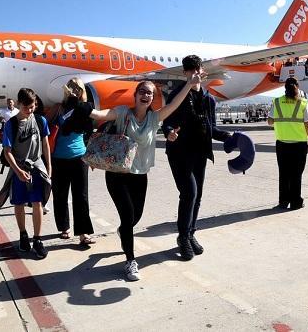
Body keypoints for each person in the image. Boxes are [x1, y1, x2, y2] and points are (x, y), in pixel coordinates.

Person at [89, 73, 203, 280]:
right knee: (127, 214)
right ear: (135, 94)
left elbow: (175, 104)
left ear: (152, 98)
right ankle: (131, 260)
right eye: (142, 91)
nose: (146, 95)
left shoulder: (154, 118)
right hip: (117, 174)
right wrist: (89, 110)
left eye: (149, 93)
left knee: (135, 217)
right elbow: (103, 115)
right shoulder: (123, 113)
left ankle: (124, 231)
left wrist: (189, 84)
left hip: (140, 174)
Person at [163, 55, 232, 262]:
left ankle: (190, 233)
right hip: (179, 154)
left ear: (202, 70)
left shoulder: (209, 99)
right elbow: (166, 122)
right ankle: (183, 237)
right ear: (184, 72)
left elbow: (211, 128)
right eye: (189, 69)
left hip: (200, 153)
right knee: (189, 193)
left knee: (198, 196)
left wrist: (229, 136)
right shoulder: (177, 95)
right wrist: (169, 133)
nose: (194, 73)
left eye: (196, 68)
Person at [1, 88, 52, 259]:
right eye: (27, 107)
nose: (30, 110)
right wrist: (18, 171)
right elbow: (7, 151)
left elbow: (46, 145)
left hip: (36, 166)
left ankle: (37, 239)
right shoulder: (11, 124)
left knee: (38, 202)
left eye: (33, 107)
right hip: (19, 167)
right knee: (19, 203)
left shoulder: (40, 120)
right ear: (19, 104)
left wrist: (49, 167)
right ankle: (23, 235)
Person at [48, 78, 95, 244]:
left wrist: (91, 157)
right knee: (60, 195)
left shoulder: (85, 108)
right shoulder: (58, 108)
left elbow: (90, 133)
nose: (75, 91)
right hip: (58, 159)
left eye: (78, 88)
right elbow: (44, 127)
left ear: (82, 91)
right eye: (72, 87)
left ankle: (84, 233)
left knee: (81, 196)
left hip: (79, 157)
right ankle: (64, 227)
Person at [268, 77, 308, 211]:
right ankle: (296, 202)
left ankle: (283, 202)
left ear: (285, 88)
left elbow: (270, 122)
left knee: (283, 173)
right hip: (299, 144)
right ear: (297, 87)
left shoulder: (276, 102)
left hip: (282, 143)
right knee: (296, 174)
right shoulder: (303, 103)